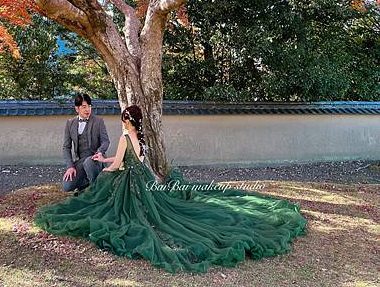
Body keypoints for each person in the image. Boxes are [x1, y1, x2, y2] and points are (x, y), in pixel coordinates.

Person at [35, 105, 308, 274]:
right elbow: (135, 160)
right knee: (163, 211)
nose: (122, 122)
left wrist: (104, 170)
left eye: (123, 119)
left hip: (129, 181)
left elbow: (119, 165)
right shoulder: (139, 139)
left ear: (128, 121)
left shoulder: (123, 137)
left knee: (117, 207)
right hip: (143, 179)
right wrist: (105, 159)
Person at [61, 93, 110, 193]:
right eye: (84, 107)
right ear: (77, 109)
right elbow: (66, 147)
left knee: (89, 162)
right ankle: (84, 184)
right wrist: (70, 166)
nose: (87, 110)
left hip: (95, 158)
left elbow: (105, 141)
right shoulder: (70, 123)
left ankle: (95, 191)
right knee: (67, 185)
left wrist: (100, 152)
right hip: (81, 160)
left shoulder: (98, 121)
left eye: (89, 106)